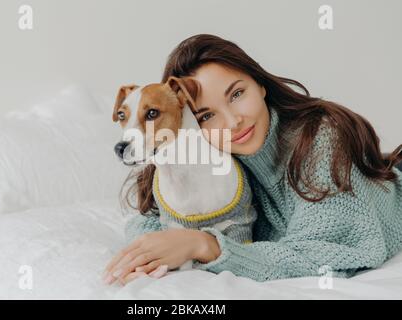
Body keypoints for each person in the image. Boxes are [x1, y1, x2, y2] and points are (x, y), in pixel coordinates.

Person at [103, 34, 402, 286]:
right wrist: (161, 247)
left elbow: (325, 254)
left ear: (260, 85)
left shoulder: (320, 137)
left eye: (236, 94)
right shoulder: (216, 159)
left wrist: (204, 245)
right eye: (206, 115)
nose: (233, 122)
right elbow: (149, 222)